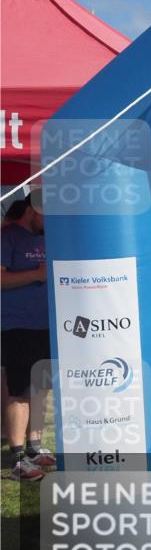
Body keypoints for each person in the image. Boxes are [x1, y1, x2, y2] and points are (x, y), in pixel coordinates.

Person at [1, 190, 56, 480]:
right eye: (47, 214)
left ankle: (35, 447)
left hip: (46, 324)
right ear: (32, 211)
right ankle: (18, 457)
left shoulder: (46, 237)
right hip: (17, 325)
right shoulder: (7, 236)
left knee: (40, 389)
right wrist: (36, 274)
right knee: (20, 390)